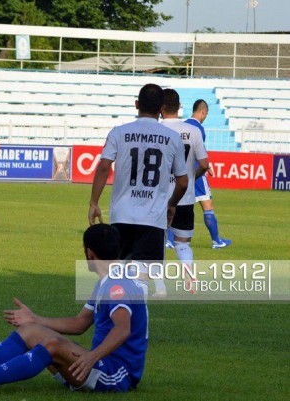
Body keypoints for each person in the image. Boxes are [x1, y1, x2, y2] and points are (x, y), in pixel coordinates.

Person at [0, 224, 148, 393]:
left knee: (51, 344)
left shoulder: (119, 284)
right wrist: (35, 318)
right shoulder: (109, 279)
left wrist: (91, 357)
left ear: (89, 253)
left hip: (117, 374)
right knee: (30, 330)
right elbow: (80, 324)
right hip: (100, 364)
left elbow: (122, 329)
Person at [88, 83, 188, 296]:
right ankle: (137, 325)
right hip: (152, 218)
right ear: (162, 108)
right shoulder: (172, 138)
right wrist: (171, 205)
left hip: (121, 215)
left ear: (136, 104)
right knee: (142, 280)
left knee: (116, 277)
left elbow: (104, 166)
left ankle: (116, 321)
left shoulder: (119, 132)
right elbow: (183, 182)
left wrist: (94, 202)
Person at [166, 99, 231, 249]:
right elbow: (199, 153)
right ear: (203, 112)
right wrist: (206, 167)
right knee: (208, 206)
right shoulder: (198, 129)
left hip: (178, 174)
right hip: (195, 173)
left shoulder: (181, 126)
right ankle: (216, 241)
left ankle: (169, 240)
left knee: (175, 205)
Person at [160, 90, 209, 288]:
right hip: (185, 197)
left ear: (161, 108)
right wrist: (190, 178)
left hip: (159, 197)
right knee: (182, 243)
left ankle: (160, 288)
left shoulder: (156, 130)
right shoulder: (193, 131)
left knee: (157, 241)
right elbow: (204, 164)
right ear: (179, 106)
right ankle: (189, 276)